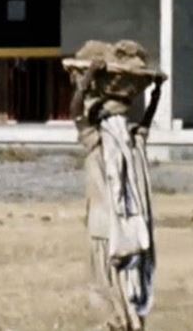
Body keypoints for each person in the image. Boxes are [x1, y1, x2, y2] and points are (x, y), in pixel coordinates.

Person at [64, 41, 165, 331]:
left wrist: (86, 81)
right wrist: (156, 93)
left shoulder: (116, 140)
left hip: (115, 226)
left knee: (116, 280)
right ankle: (125, 321)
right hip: (117, 225)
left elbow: (76, 112)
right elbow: (78, 112)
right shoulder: (112, 140)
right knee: (121, 280)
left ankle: (124, 322)